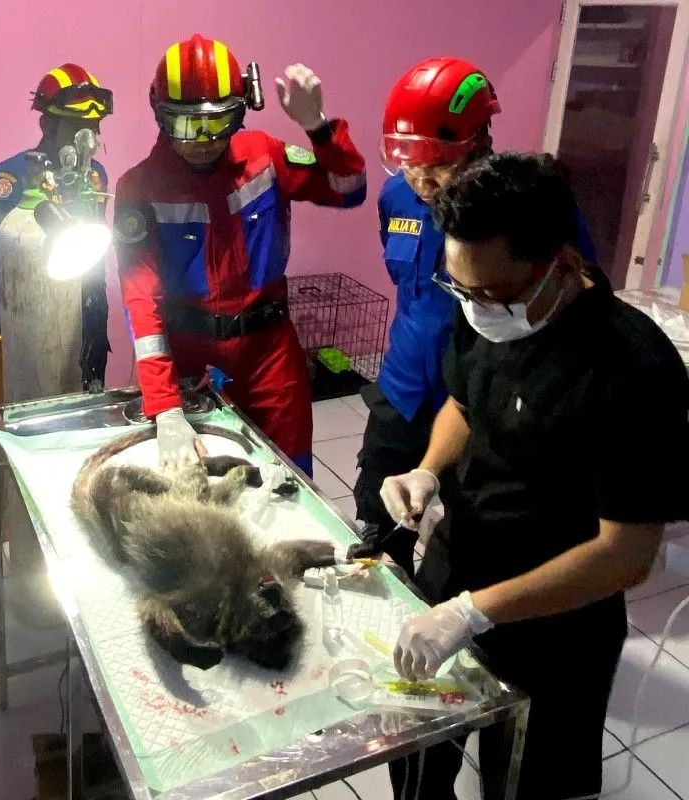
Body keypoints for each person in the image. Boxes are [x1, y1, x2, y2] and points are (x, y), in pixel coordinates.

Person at [383, 152, 689, 800]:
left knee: (525, 781)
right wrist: (427, 470)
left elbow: (626, 554)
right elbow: (463, 402)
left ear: (564, 263)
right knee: (418, 757)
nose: (475, 308)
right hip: (460, 565)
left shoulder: (632, 368)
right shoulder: (482, 300)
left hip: (558, 622)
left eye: (492, 294)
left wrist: (475, 613)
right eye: (459, 288)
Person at [350, 57, 598, 584]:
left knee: (470, 541)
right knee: (379, 518)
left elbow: (578, 296)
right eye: (408, 161)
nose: (421, 178)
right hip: (403, 388)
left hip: (480, 399)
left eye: (437, 162)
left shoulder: (525, 204)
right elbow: (409, 286)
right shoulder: (396, 196)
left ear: (480, 141)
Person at [114, 33, 367, 476]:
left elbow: (350, 190)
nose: (204, 139)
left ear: (243, 108)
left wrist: (318, 126)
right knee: (201, 490)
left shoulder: (264, 156)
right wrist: (165, 406)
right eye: (186, 124)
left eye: (220, 120)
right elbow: (141, 299)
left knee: (289, 478)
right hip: (189, 359)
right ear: (160, 115)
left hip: (271, 358)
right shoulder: (139, 187)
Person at [0, 63, 113, 389]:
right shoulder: (10, 178)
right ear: (46, 124)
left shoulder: (96, 175)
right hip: (33, 316)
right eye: (77, 127)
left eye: (94, 127)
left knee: (87, 395)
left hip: (88, 312)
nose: (88, 140)